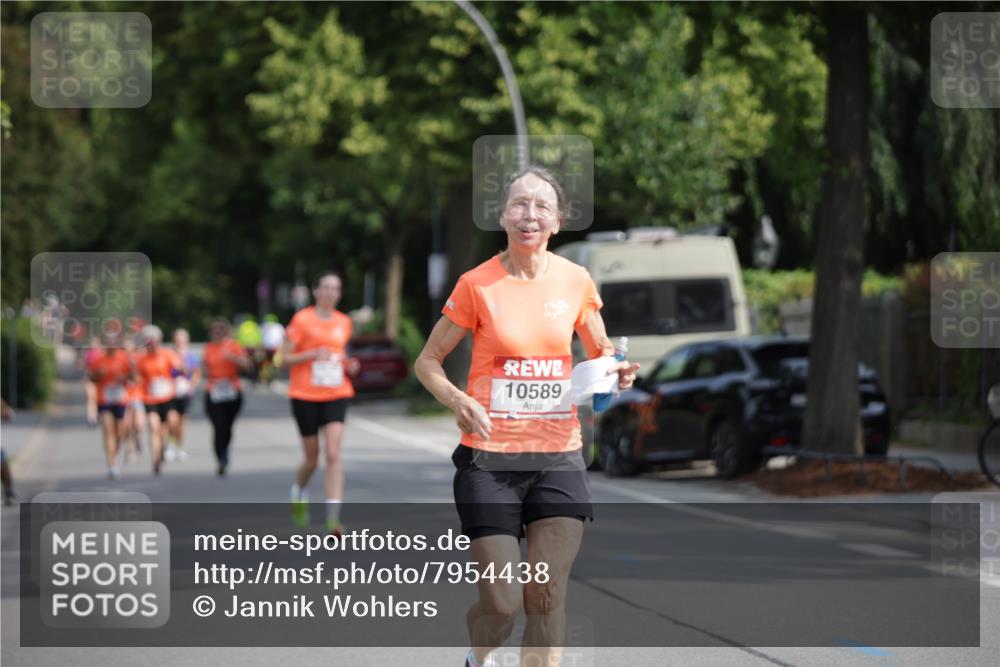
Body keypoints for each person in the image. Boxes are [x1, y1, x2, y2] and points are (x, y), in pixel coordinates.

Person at [413, 167, 639, 667]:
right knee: (503, 603)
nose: (529, 214)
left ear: (557, 221)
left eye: (541, 206)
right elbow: (427, 362)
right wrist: (460, 400)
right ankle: (479, 657)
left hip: (558, 458)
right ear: (502, 216)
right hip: (488, 462)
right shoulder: (478, 284)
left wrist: (616, 378)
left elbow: (602, 360)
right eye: (519, 204)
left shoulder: (575, 280)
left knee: (545, 597)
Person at [281, 271, 360, 535]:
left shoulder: (344, 322)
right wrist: (312, 353)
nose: (329, 292)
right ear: (316, 291)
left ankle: (333, 518)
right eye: (325, 287)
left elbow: (342, 354)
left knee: (334, 453)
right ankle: (299, 490)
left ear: (339, 294)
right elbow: (283, 359)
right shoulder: (301, 319)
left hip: (337, 392)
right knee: (312, 459)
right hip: (304, 394)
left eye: (334, 288)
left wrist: (350, 364)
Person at [202, 318, 252, 476]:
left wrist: (233, 358)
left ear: (225, 332)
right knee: (218, 425)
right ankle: (221, 458)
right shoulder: (208, 348)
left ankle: (225, 451)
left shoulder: (233, 346)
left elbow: (247, 364)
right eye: (214, 331)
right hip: (214, 390)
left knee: (228, 426)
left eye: (220, 331)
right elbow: (204, 369)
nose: (217, 334)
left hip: (232, 390)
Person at [133, 325, 183, 475]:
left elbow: (179, 367)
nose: (152, 345)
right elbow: (136, 378)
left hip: (168, 396)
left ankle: (167, 444)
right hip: (150, 398)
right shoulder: (141, 360)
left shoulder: (167, 354)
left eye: (154, 341)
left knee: (172, 422)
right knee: (154, 427)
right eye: (149, 342)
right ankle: (156, 459)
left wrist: (181, 369)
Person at [88, 335, 133, 478]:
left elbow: (133, 376)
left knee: (120, 432)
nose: (111, 346)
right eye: (108, 343)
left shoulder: (124, 357)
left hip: (120, 399)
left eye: (113, 343)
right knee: (108, 430)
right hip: (105, 399)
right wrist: (98, 375)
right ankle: (112, 464)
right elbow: (91, 378)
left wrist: (124, 378)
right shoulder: (99, 360)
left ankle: (116, 451)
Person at [166, 328, 202, 462]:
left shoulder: (191, 356)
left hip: (185, 392)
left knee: (182, 422)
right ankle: (170, 444)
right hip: (171, 392)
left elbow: (197, 373)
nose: (179, 342)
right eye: (177, 340)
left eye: (182, 340)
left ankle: (180, 447)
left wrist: (191, 386)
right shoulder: (168, 354)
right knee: (171, 420)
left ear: (187, 341)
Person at [260, 314, 285, 385]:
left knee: (266, 363)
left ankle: (265, 378)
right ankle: (273, 377)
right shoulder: (279, 327)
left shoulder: (264, 326)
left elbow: (261, 337)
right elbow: (282, 337)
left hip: (266, 347)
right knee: (275, 363)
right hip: (276, 347)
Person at [82, 336, 102, 426]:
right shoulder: (87, 354)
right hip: (89, 378)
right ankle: (91, 417)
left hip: (99, 379)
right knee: (90, 398)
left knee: (97, 398)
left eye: (95, 343)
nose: (93, 345)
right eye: (92, 343)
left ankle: (97, 414)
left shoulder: (101, 353)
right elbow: (85, 367)